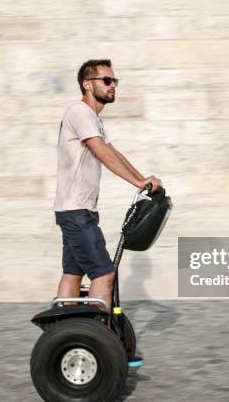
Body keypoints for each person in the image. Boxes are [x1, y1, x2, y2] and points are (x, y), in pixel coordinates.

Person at [54, 59, 162, 312]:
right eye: (106, 80)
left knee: (73, 273)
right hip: (76, 211)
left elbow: (113, 150)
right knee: (104, 274)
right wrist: (138, 182)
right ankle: (97, 339)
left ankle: (64, 330)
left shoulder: (91, 118)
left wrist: (142, 178)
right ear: (87, 85)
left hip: (77, 210)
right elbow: (101, 151)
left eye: (114, 80)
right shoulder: (79, 111)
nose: (113, 85)